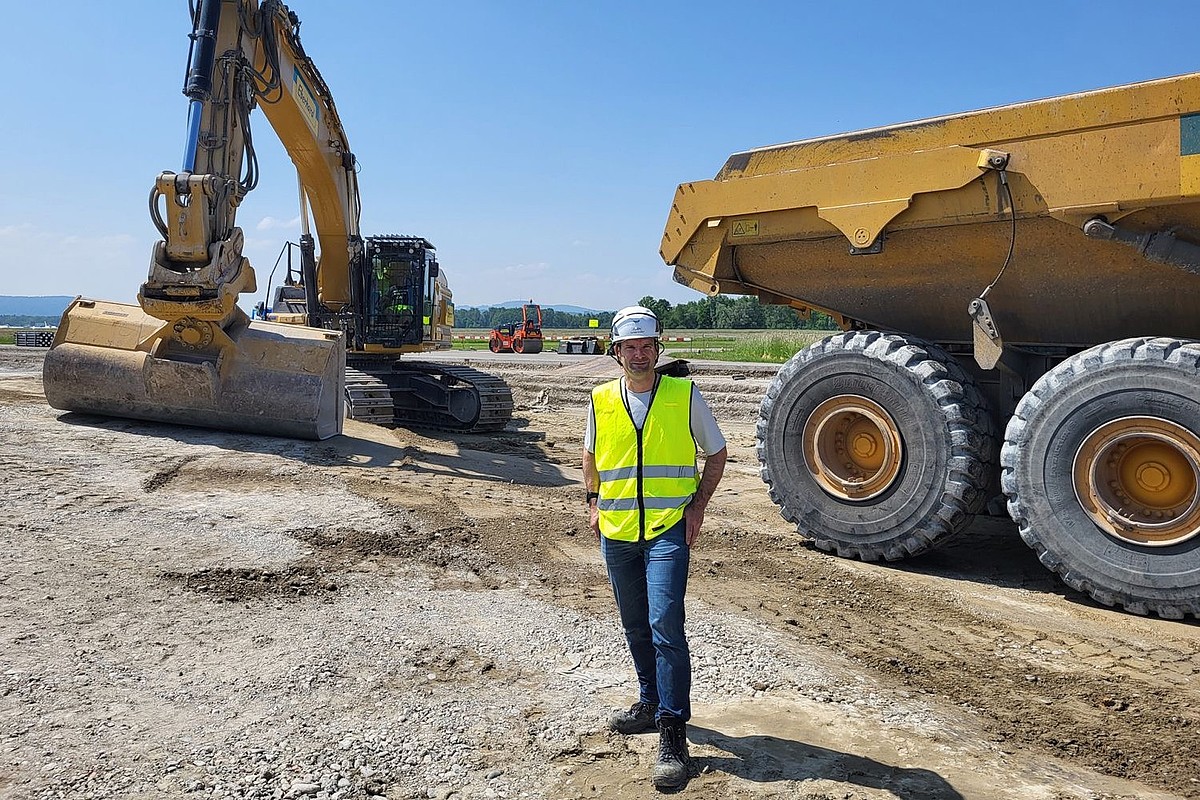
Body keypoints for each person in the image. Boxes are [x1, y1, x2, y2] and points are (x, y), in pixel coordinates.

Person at [582, 305, 727, 790]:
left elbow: (718, 450)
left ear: (656, 350)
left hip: (668, 529)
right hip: (618, 532)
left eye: (647, 346)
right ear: (616, 352)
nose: (639, 355)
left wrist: (699, 504)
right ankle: (648, 702)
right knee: (634, 623)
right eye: (630, 347)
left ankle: (672, 731)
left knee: (666, 624)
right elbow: (590, 455)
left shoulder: (682, 394)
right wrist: (592, 502)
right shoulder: (601, 399)